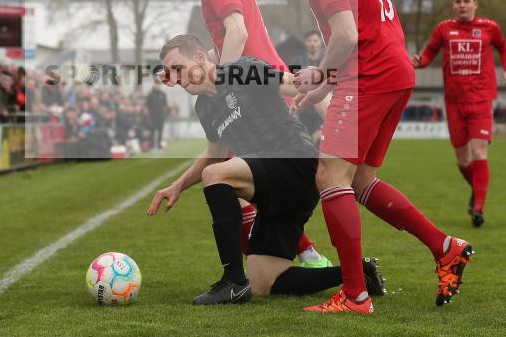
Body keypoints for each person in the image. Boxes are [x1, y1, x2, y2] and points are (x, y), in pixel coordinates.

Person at [255, 0, 472, 313]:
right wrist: (323, 87)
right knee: (359, 181)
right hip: (393, 73)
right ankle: (445, 247)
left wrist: (317, 73)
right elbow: (366, 28)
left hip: (370, 76)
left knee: (329, 176)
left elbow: (348, 36)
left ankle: (354, 294)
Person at [148, 35, 386, 304]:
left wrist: (327, 85)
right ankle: (358, 274)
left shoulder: (241, 70)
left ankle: (233, 282)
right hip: (271, 187)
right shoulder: (204, 107)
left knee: (216, 176)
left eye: (178, 68)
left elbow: (295, 85)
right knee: (264, 279)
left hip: (294, 162)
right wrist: (177, 186)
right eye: (170, 73)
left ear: (200, 58)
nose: (176, 78)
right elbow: (213, 155)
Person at [158, 0, 331, 269]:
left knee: (231, 184)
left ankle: (259, 269)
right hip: (262, 86)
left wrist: (224, 82)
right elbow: (226, 43)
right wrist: (191, 66)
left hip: (255, 95)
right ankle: (286, 258)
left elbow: (238, 33)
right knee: (241, 186)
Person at [412, 0, 506, 227]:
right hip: (454, 102)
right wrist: (420, 61)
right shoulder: (444, 29)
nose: (462, 5)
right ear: (453, 5)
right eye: (457, 1)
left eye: (466, 1)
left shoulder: (489, 28)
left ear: (475, 4)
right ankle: (477, 191)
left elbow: (504, 49)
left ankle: (478, 208)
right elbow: (429, 54)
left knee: (479, 152)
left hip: (480, 99)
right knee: (462, 160)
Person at [145, 78, 170, 149]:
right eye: (156, 84)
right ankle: (151, 145)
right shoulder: (150, 94)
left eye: (159, 84)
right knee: (152, 131)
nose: (158, 86)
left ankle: (159, 144)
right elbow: (147, 106)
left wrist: (165, 113)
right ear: (154, 84)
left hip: (161, 116)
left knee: (160, 130)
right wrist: (148, 115)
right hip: (152, 116)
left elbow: (165, 105)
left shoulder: (163, 94)